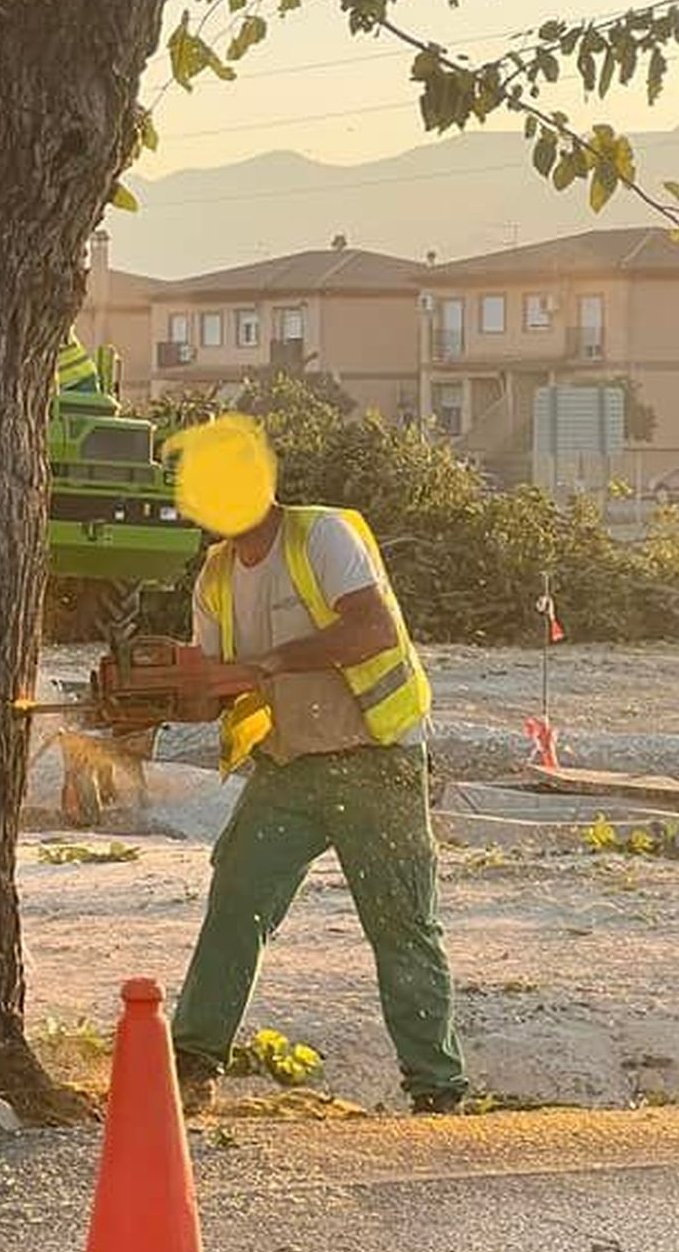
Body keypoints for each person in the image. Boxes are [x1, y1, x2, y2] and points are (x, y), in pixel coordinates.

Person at [167, 414, 467, 1116]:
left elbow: (372, 628)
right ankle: (193, 1062)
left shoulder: (322, 535)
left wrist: (266, 662)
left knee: (402, 925)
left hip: (374, 761)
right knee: (236, 901)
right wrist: (154, 700)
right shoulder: (213, 576)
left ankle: (438, 1089)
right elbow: (217, 688)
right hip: (289, 768)